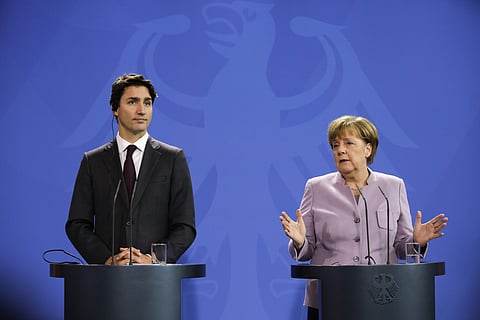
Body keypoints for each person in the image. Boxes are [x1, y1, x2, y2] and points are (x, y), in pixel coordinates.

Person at [279, 115, 448, 319]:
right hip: (330, 298)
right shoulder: (316, 188)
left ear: (368, 149)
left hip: (382, 298)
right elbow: (306, 251)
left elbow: (402, 248)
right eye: (335, 145)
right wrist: (298, 242)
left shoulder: (393, 187)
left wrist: (416, 243)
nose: (340, 150)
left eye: (349, 143)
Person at [66, 73, 196, 265]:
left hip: (155, 281)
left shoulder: (173, 158)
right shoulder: (92, 161)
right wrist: (107, 259)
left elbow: (185, 226)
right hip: (107, 281)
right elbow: (77, 224)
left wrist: (153, 259)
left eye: (148, 103)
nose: (142, 110)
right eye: (133, 102)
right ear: (115, 108)